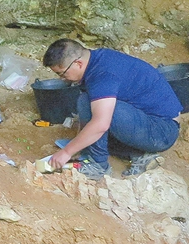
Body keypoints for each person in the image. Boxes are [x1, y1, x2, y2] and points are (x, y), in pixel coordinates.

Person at [42, 38, 180, 179]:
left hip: (162, 131)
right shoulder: (97, 60)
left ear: (78, 64)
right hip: (145, 120)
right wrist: (79, 144)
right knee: (88, 103)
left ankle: (98, 166)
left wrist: (67, 152)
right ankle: (139, 155)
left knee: (101, 115)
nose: (62, 79)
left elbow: (101, 124)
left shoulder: (103, 75)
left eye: (62, 73)